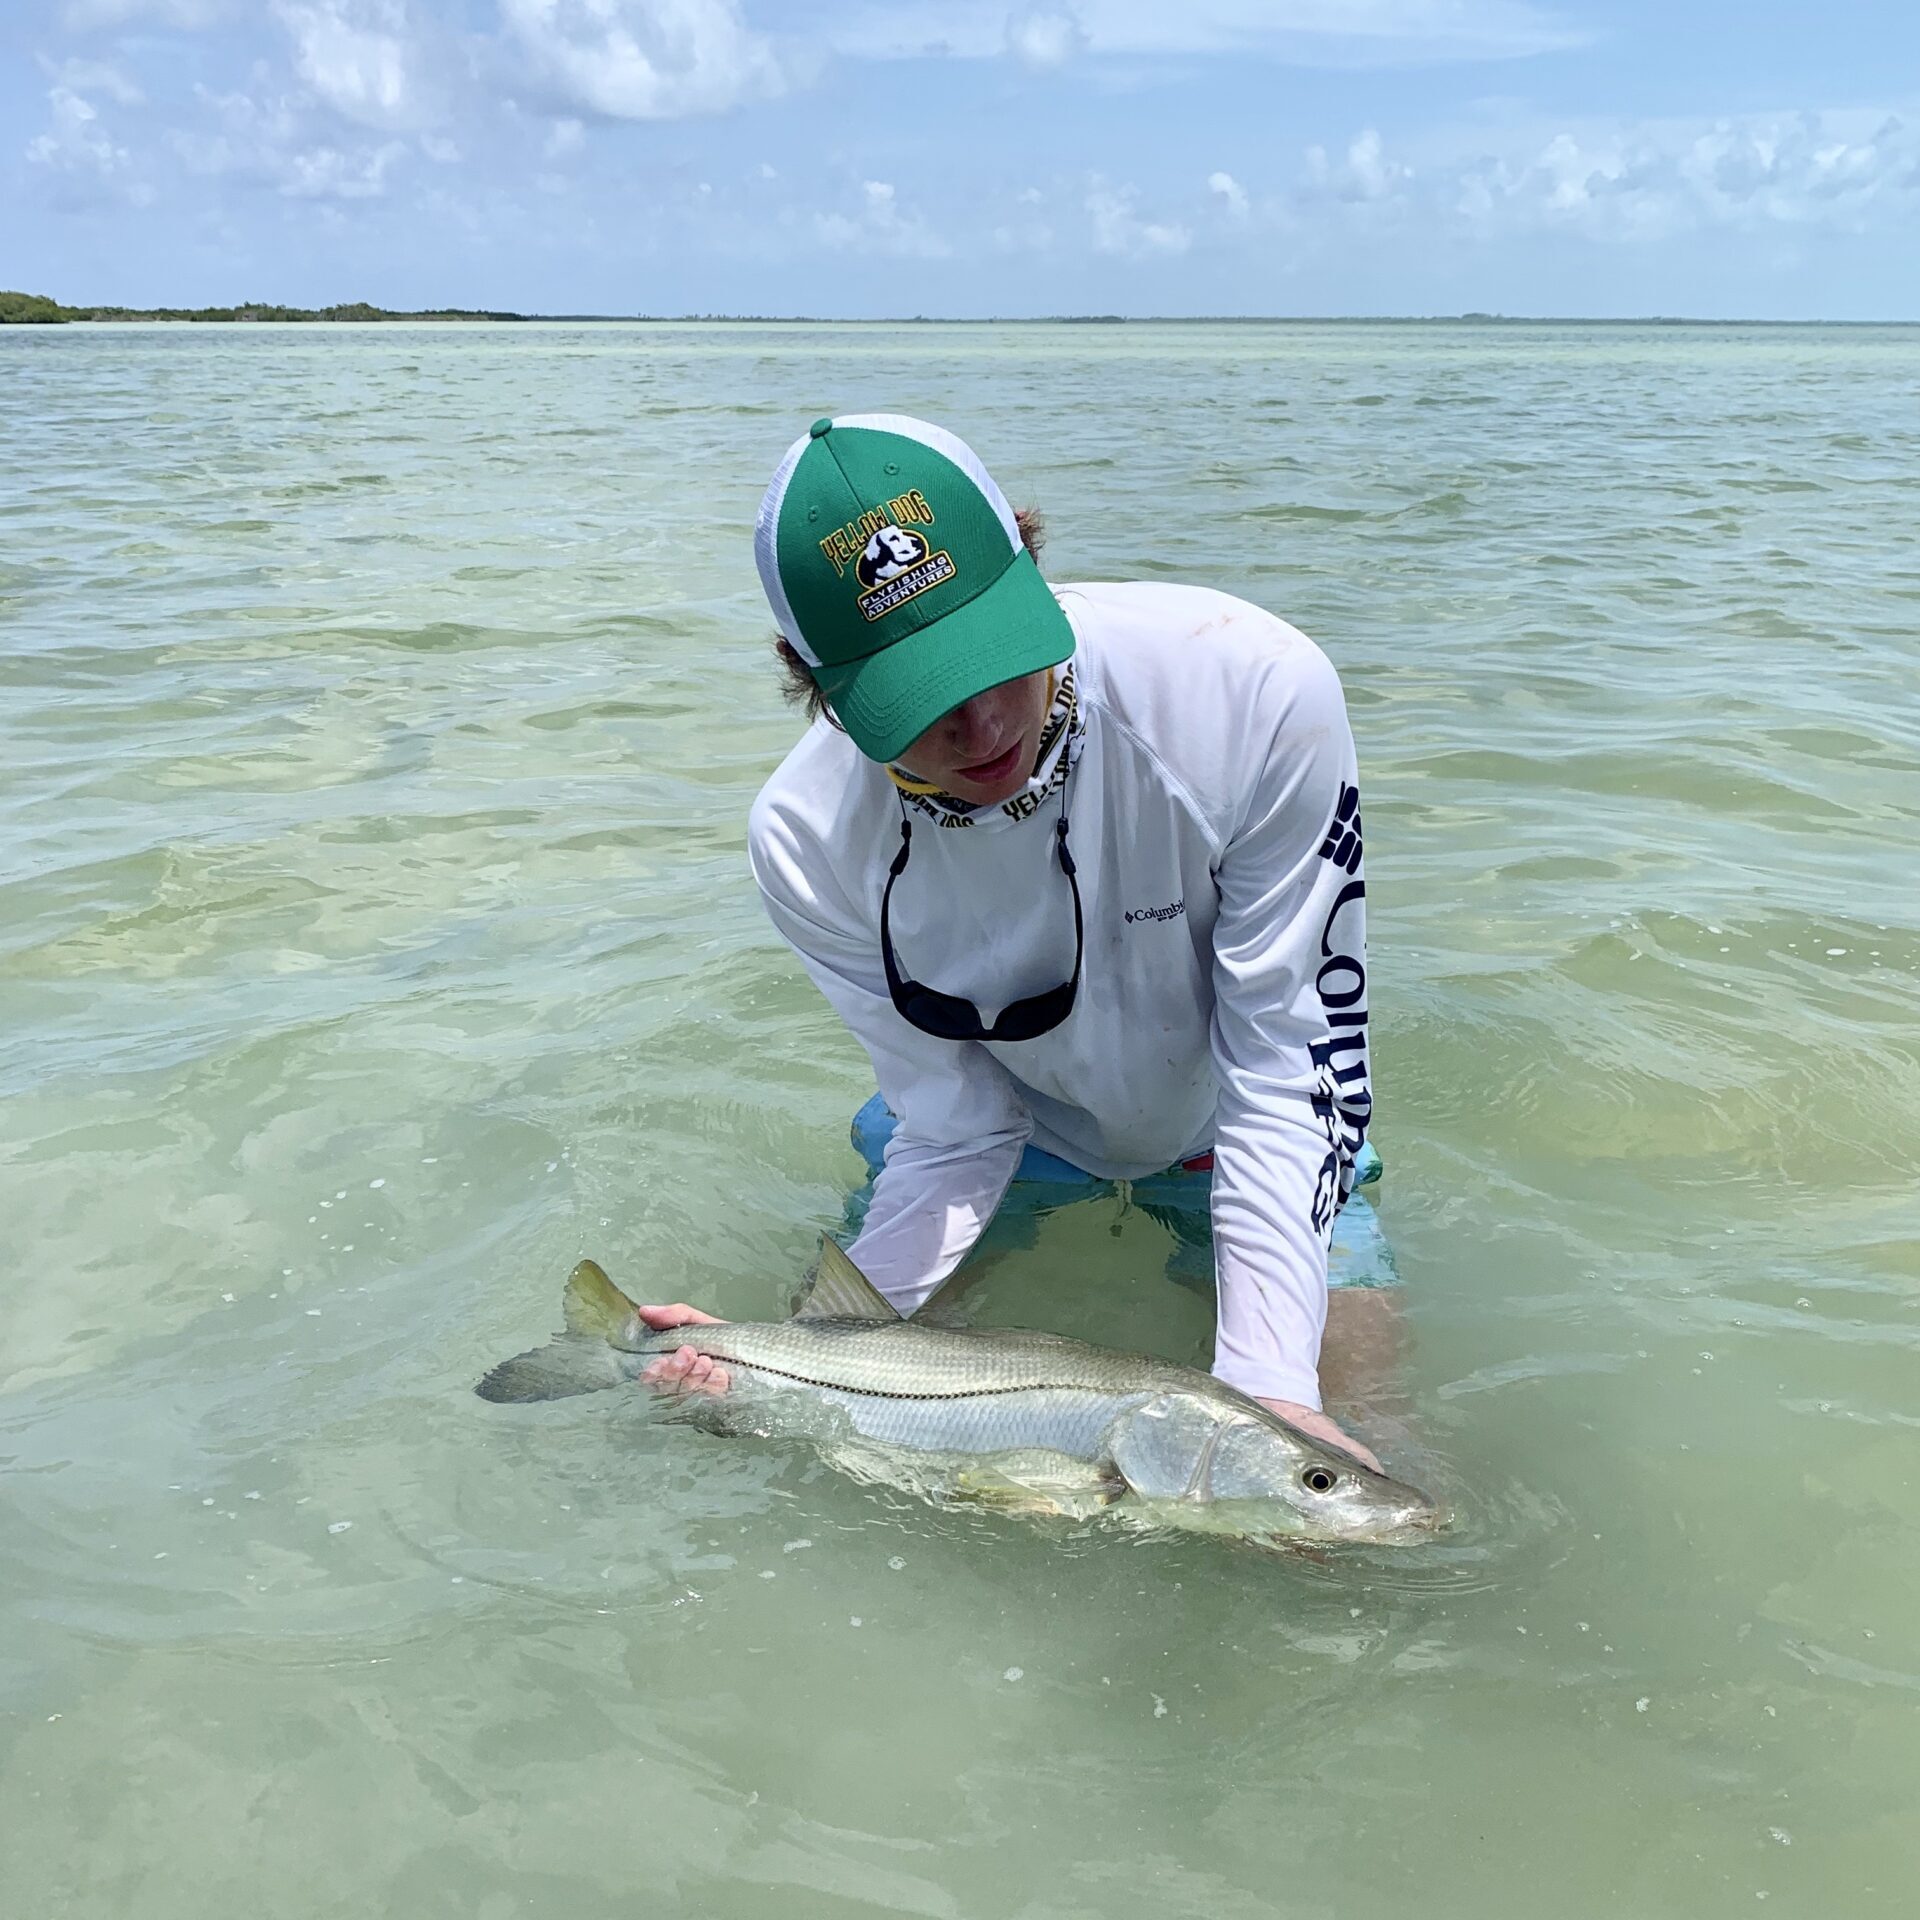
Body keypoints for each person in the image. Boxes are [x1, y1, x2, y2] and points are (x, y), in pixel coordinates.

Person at [638, 412, 1384, 1469]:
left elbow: (1289, 1059)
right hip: (1001, 1130)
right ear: (808, 677)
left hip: (1242, 1112)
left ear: (1031, 562)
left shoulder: (1252, 690)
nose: (981, 726)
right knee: (839, 1446)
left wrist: (1270, 1399)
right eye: (919, 696)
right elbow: (951, 1124)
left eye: (992, 659)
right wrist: (778, 1363)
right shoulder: (803, 838)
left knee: (1361, 1459)